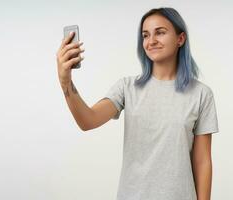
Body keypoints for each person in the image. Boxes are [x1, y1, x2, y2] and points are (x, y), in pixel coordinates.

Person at [56, 7, 219, 200]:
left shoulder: (201, 94)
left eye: (160, 32)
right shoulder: (127, 88)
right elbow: (87, 121)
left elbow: (202, 162)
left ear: (180, 39)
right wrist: (66, 81)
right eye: (145, 35)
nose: (151, 41)